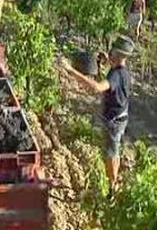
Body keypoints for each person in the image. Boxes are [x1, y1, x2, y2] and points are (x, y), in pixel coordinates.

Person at [60, 35, 135, 198]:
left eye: (113, 50)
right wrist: (104, 63)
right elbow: (111, 84)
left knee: (111, 154)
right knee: (113, 150)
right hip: (121, 116)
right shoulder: (122, 72)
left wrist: (70, 70)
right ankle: (114, 178)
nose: (110, 51)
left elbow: (96, 87)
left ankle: (112, 189)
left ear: (119, 54)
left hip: (114, 122)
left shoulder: (116, 75)